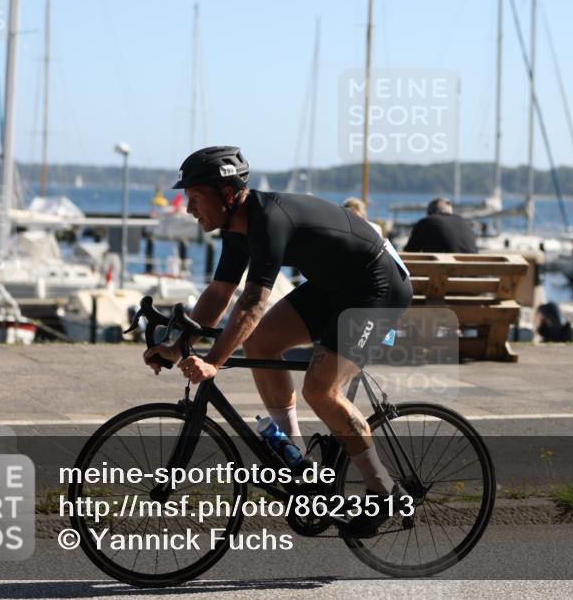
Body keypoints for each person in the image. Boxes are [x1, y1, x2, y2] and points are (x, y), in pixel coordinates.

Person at [143, 146, 412, 537]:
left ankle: (385, 490)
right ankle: (298, 461)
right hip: (334, 287)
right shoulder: (236, 230)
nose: (188, 208)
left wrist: (214, 361)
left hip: (377, 287)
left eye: (195, 197)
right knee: (261, 342)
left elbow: (252, 304)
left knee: (320, 390)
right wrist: (176, 345)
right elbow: (219, 295)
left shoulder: (268, 220)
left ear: (227, 194)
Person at [403, 197, 478, 253]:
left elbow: (410, 251)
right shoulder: (464, 222)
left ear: (429, 212)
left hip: (443, 268)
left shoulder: (426, 222)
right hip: (473, 268)